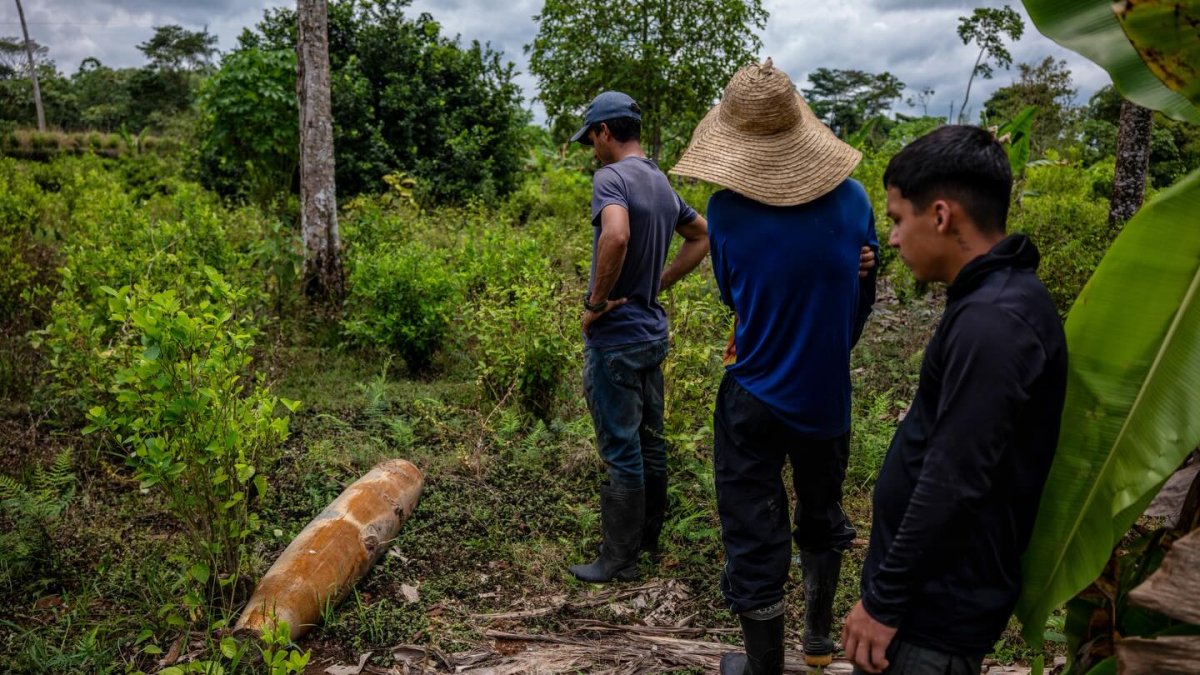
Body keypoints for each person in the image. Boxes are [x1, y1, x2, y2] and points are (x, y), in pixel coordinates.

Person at [670, 58, 878, 674]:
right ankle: (818, 640)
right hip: (826, 395)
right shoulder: (856, 199)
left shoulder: (727, 211)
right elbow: (860, 298)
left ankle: (765, 667)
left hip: (754, 394)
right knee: (823, 514)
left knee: (754, 530)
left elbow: (734, 297)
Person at [842, 125, 1068, 675]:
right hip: (930, 602)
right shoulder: (994, 297)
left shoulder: (994, 321)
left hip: (932, 616)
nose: (892, 239)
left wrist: (884, 601)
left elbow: (954, 476)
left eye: (898, 219)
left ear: (941, 216)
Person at [566, 90, 711, 584]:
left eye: (591, 138)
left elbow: (617, 235)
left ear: (605, 132)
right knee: (652, 442)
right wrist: (659, 283)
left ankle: (618, 561)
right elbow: (703, 235)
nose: (592, 149)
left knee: (622, 448)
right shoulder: (660, 181)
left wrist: (594, 305)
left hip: (616, 339)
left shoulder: (611, 178)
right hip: (652, 334)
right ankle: (647, 543)